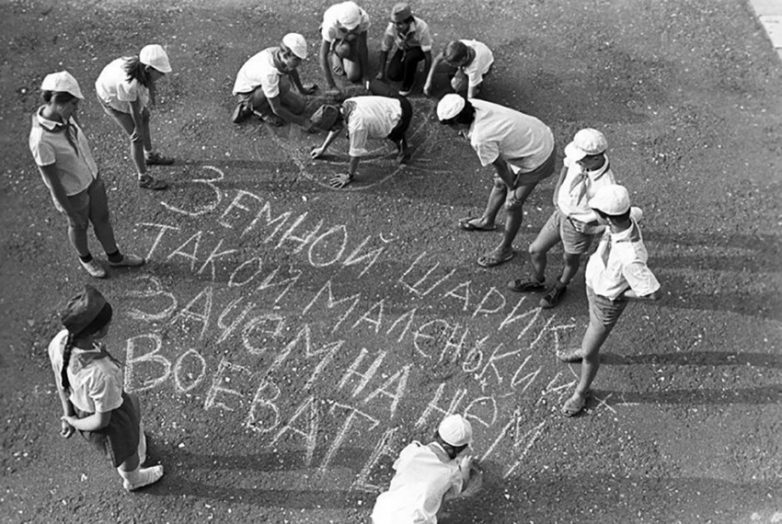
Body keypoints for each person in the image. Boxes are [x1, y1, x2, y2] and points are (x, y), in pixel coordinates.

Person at [28, 71, 146, 279]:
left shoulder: (66, 117)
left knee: (102, 218)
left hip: (91, 177)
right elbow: (52, 181)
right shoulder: (41, 140)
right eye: (73, 104)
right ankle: (86, 258)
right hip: (73, 191)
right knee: (78, 225)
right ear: (58, 101)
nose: (76, 109)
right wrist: (69, 211)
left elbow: (78, 138)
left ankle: (115, 257)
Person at [556, 184, 661, 416]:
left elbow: (652, 292)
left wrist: (619, 293)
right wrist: (594, 228)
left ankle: (581, 392)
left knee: (590, 352)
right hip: (595, 286)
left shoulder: (629, 256)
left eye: (596, 212)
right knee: (591, 331)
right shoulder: (627, 218)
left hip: (607, 300)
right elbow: (638, 213)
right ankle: (587, 347)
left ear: (607, 217)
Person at [48, 285, 164, 491]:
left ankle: (137, 449)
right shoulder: (102, 373)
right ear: (97, 332)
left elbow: (60, 380)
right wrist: (74, 422)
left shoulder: (59, 343)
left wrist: (69, 413)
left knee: (133, 405)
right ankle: (134, 479)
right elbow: (102, 421)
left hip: (83, 406)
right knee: (125, 449)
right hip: (104, 417)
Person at [436, 94, 556, 268]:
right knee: (500, 183)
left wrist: (512, 189)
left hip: (537, 154)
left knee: (512, 205)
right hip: (533, 134)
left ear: (457, 122)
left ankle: (506, 248)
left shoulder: (480, 138)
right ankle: (487, 221)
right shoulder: (473, 104)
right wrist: (507, 183)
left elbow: (500, 165)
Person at [508, 128, 616, 309]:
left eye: (581, 158)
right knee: (535, 249)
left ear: (596, 158)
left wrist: (590, 225)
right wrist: (558, 190)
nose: (577, 160)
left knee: (569, 259)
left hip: (578, 224)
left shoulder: (607, 184)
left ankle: (560, 286)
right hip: (561, 213)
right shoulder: (577, 160)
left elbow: (608, 215)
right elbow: (567, 165)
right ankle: (537, 279)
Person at [371, 414, 482, 523]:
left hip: (383, 513)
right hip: (411, 521)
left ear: (436, 433)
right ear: (453, 449)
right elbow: (461, 487)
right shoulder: (451, 472)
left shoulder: (412, 451)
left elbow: (398, 467)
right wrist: (465, 469)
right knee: (440, 497)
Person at [95, 44, 174, 190]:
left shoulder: (141, 67)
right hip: (110, 97)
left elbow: (147, 87)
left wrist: (151, 97)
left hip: (117, 87)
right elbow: (133, 108)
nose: (163, 75)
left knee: (145, 116)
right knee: (136, 138)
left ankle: (149, 156)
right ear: (149, 69)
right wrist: (137, 129)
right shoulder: (129, 84)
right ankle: (143, 178)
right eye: (161, 72)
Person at [310, 94, 413, 188]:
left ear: (336, 124)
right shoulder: (347, 104)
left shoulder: (356, 126)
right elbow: (337, 127)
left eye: (332, 128)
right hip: (397, 103)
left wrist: (349, 175)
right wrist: (323, 148)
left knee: (392, 132)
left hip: (402, 116)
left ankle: (401, 143)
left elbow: (355, 154)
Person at [231, 33, 317, 128]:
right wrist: (302, 122)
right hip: (248, 94)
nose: (299, 63)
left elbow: (292, 70)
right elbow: (276, 109)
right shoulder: (269, 74)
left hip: (259, 84)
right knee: (283, 84)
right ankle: (260, 111)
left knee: (299, 106)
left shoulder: (279, 53)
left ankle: (273, 97)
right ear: (286, 55)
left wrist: (301, 90)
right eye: (297, 59)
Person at [376, 3, 433, 96]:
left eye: (399, 24)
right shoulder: (391, 28)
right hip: (403, 48)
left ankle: (408, 84)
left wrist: (426, 77)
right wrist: (381, 72)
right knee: (393, 75)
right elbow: (385, 49)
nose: (396, 26)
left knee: (410, 58)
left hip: (418, 49)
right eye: (394, 23)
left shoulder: (422, 27)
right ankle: (408, 67)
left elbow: (428, 55)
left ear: (409, 22)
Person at [319, 1, 371, 93]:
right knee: (343, 50)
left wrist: (365, 75)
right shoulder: (330, 26)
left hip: (353, 38)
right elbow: (323, 55)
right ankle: (336, 52)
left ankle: (349, 51)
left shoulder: (363, 18)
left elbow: (363, 46)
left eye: (356, 27)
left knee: (353, 76)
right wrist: (332, 86)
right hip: (337, 37)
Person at [424, 39, 493, 99]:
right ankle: (459, 72)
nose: (450, 65)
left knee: (456, 85)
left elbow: (470, 96)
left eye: (453, 64)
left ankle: (478, 86)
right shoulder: (457, 46)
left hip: (485, 66)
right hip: (476, 56)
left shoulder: (474, 69)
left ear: (463, 60)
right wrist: (428, 81)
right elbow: (437, 59)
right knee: (440, 67)